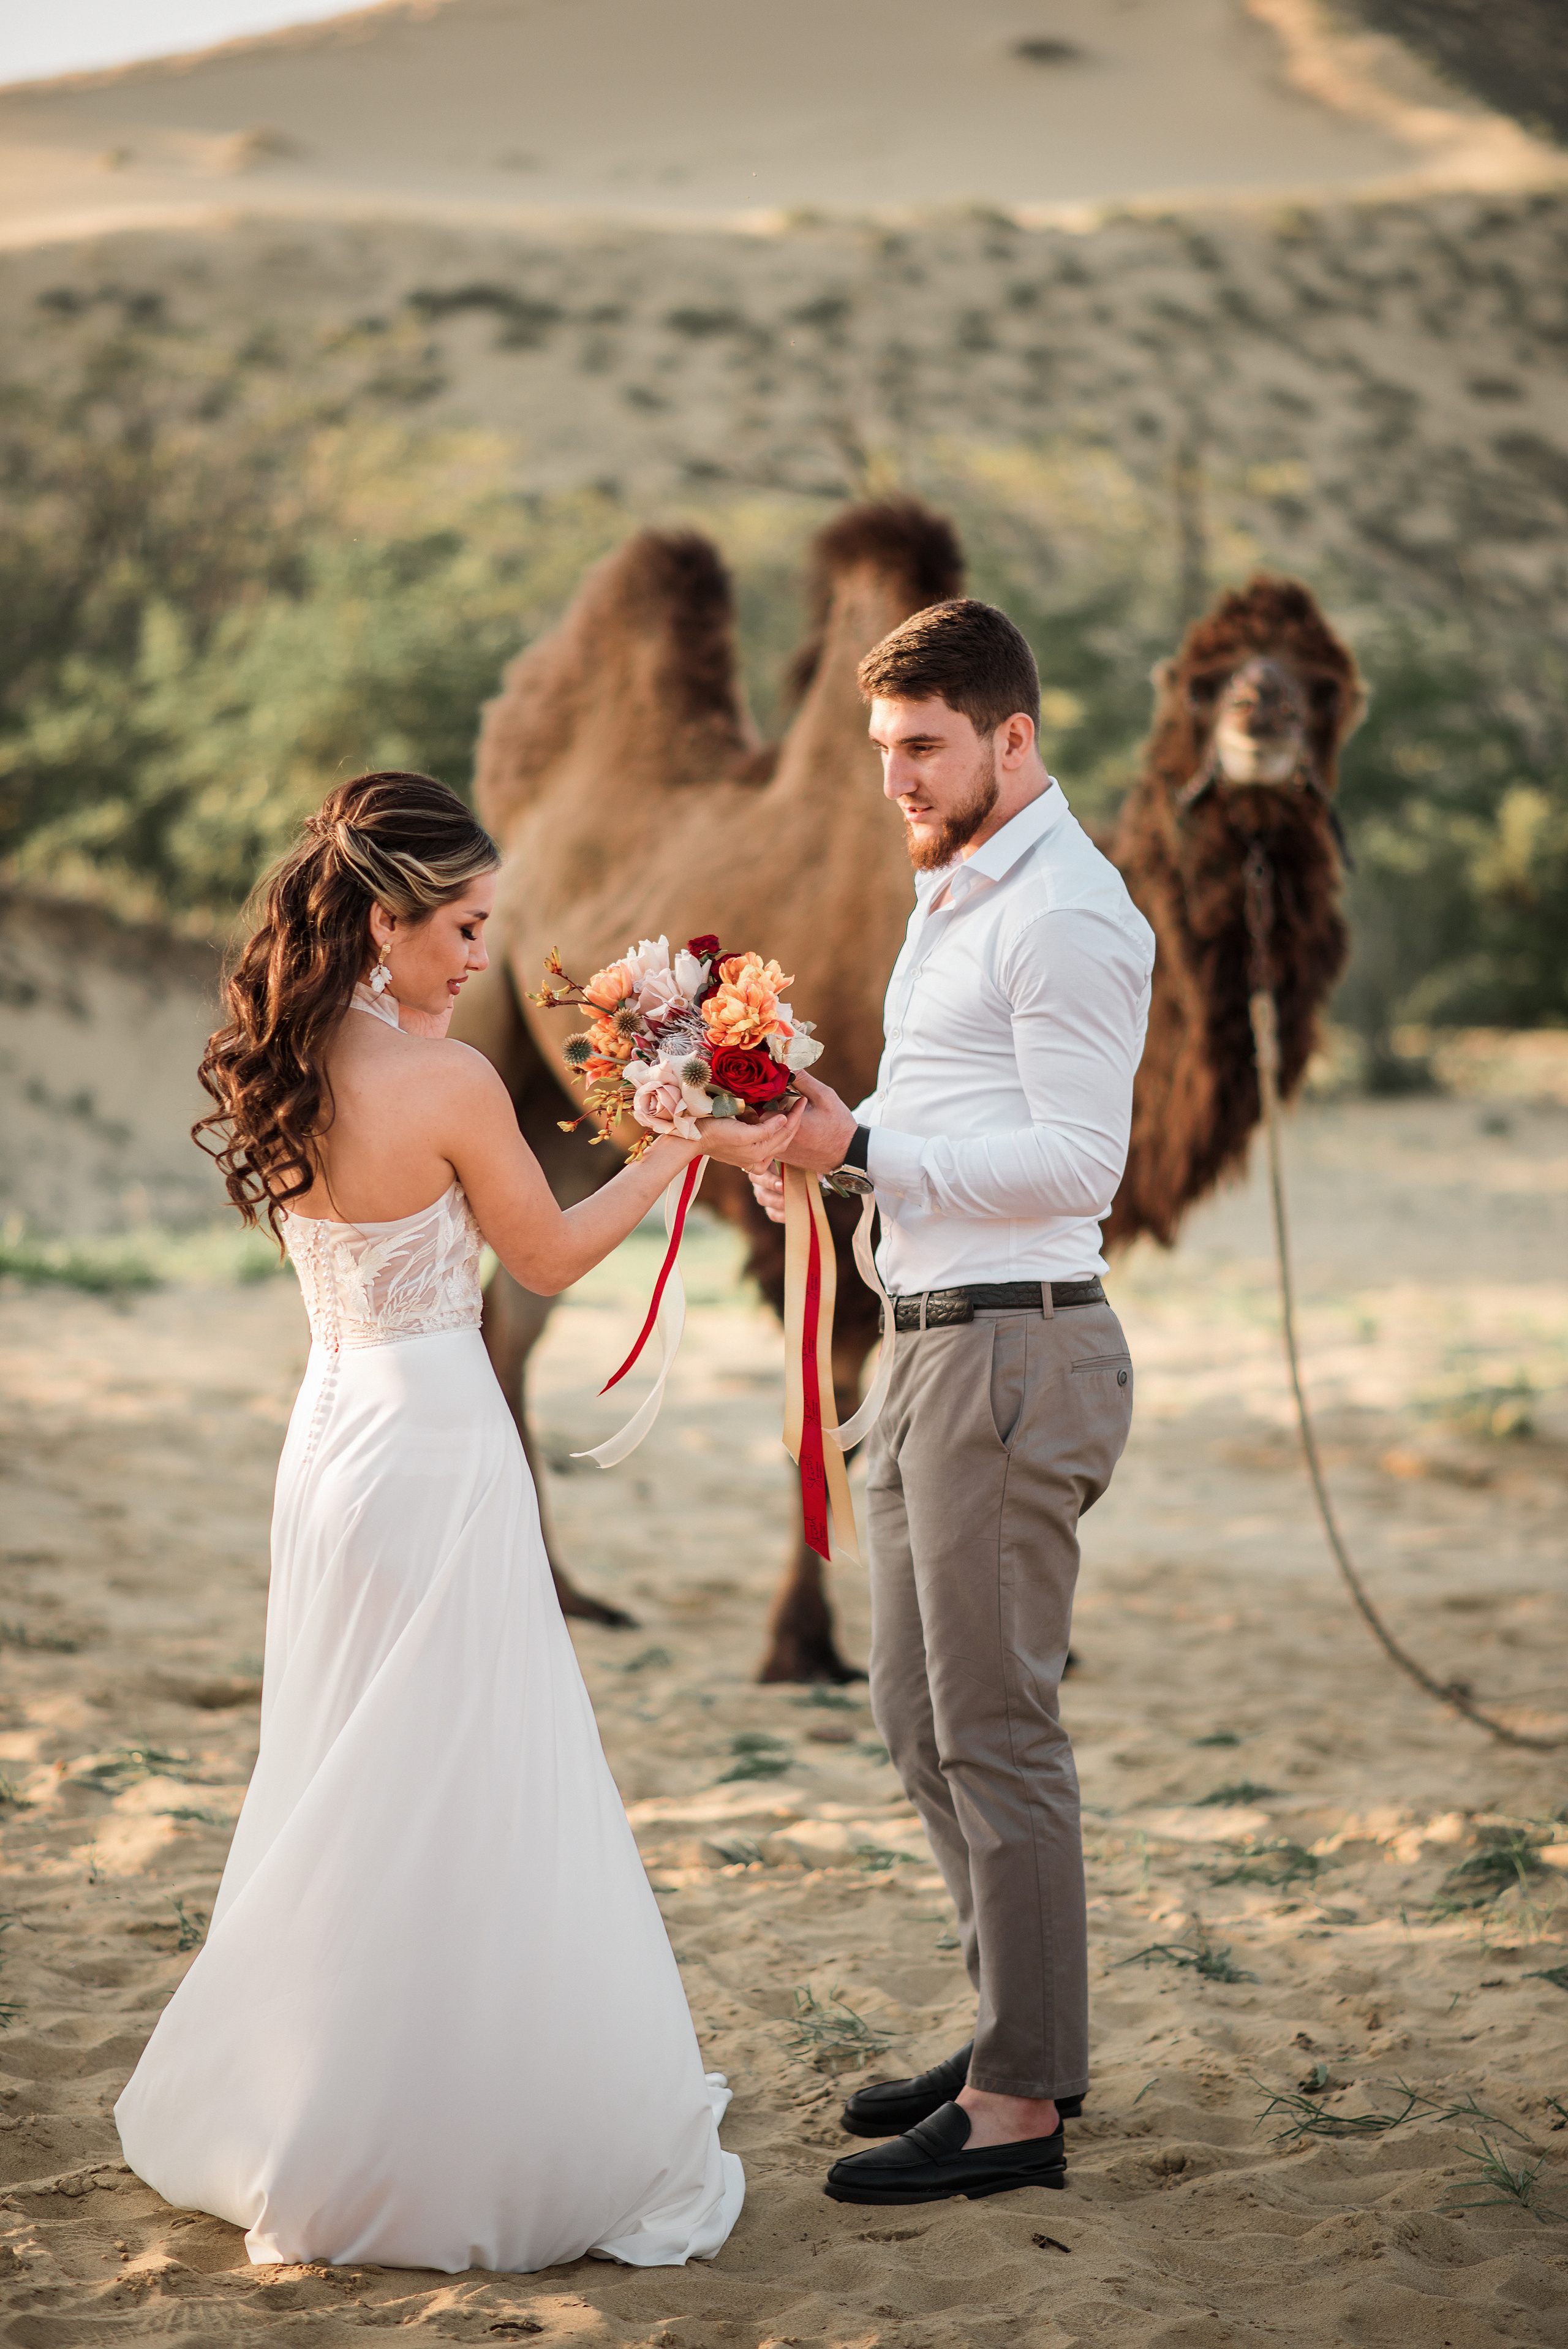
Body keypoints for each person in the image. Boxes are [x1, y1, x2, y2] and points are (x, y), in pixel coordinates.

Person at [115, 770, 797, 2273]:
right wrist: (669, 1147)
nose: (487, 955)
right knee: (464, 1781)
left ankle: (318, 2101)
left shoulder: (287, 1059)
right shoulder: (453, 1088)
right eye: (467, 924)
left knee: (346, 1771)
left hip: (330, 1443)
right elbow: (542, 1263)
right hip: (435, 1449)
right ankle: (460, 2125)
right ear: (384, 918)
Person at [751, 600, 1155, 2206]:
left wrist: (852, 1144)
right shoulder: (958, 894)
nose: (901, 778)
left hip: (1015, 1348)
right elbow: (924, 1116)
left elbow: (1079, 1163)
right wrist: (788, 1132)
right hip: (924, 1341)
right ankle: (1020, 2032)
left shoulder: (1062, 911)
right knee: (918, 1717)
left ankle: (1017, 2105)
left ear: (1013, 738)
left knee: (995, 1728)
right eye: (884, 751)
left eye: (926, 746)